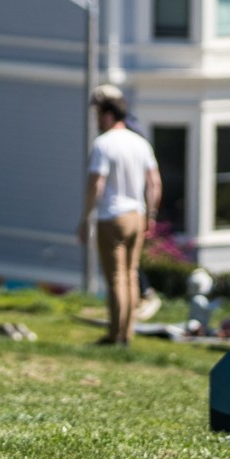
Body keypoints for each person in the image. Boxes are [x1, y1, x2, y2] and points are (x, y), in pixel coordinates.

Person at [78, 92, 160, 345]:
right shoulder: (140, 143)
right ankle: (128, 332)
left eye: (98, 115)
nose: (96, 121)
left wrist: (85, 216)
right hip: (137, 214)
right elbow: (154, 183)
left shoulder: (104, 143)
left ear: (108, 115)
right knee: (131, 275)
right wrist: (151, 215)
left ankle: (116, 335)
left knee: (115, 277)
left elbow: (97, 183)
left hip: (113, 215)